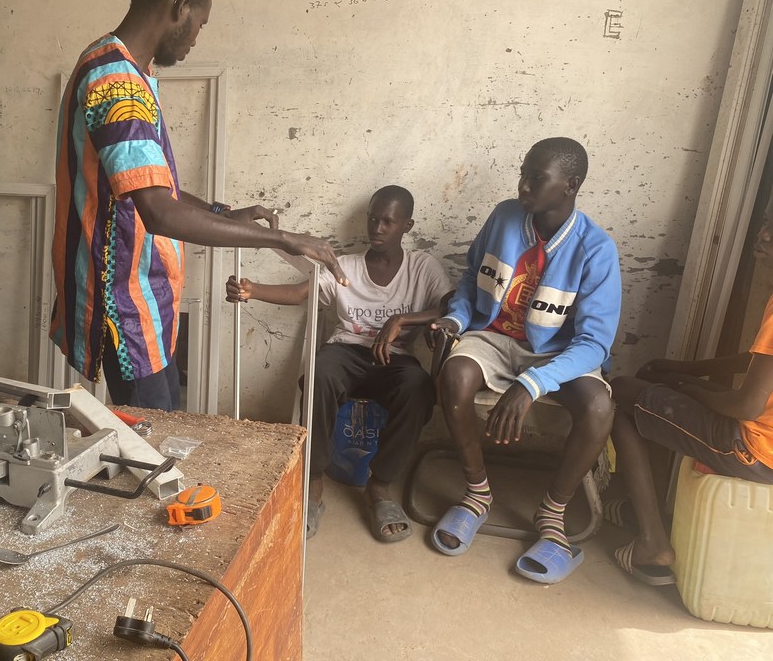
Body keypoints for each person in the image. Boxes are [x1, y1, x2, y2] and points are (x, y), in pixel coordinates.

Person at [50, 0, 346, 412]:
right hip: (125, 304)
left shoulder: (133, 73)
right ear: (179, 7)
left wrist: (217, 212)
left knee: (163, 434)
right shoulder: (117, 82)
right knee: (153, 452)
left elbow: (147, 184)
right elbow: (157, 211)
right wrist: (281, 240)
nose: (195, 39)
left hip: (147, 297)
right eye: (200, 24)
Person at [429, 137, 621, 584]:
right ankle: (477, 494)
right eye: (523, 172)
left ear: (570, 185)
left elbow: (595, 344)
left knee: (598, 408)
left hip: (558, 353)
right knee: (454, 375)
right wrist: (455, 322)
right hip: (496, 338)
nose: (523, 185)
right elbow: (468, 279)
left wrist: (532, 383)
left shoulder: (596, 249)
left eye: (537, 177)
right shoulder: (504, 217)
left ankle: (553, 515)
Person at [226, 186, 452, 542]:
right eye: (373, 218)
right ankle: (314, 485)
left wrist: (403, 322)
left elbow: (449, 307)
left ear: (407, 225)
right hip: (347, 352)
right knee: (319, 376)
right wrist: (253, 289)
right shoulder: (345, 266)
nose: (377, 228)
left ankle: (380, 487)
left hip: (394, 361)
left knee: (419, 388)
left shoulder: (423, 267)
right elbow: (302, 292)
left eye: (388, 222)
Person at [606, 193, 773, 586]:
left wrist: (689, 386)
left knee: (618, 394)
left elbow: (747, 405)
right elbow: (752, 362)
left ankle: (651, 540)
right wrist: (683, 371)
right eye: (764, 223)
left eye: (772, 230)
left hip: (753, 449)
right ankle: (643, 508)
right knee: (659, 389)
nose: (762, 236)